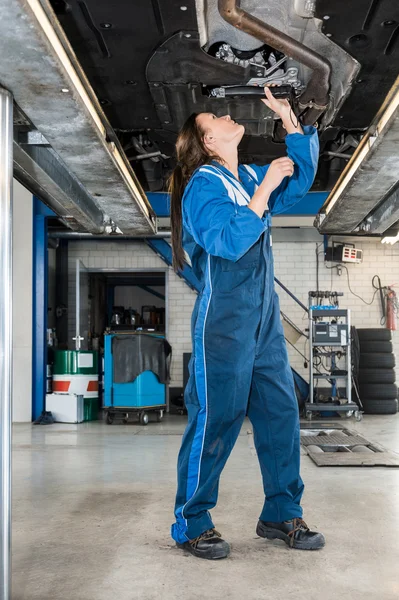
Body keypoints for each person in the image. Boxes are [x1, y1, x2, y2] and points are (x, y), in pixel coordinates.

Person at [168, 87, 325, 560]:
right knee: (216, 420)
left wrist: (289, 121)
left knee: (280, 416)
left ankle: (280, 513)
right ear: (208, 142)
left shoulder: (249, 174)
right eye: (212, 116)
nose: (224, 113)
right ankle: (192, 523)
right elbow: (227, 239)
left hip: (264, 322)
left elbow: (300, 180)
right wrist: (262, 192)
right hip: (223, 324)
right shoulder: (202, 185)